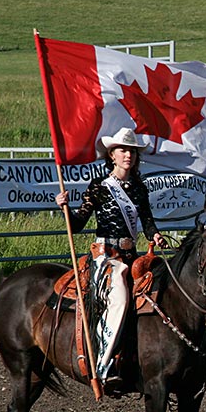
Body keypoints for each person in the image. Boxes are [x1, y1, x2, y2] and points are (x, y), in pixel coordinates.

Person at [55, 127, 168, 394]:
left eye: (132, 151)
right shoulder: (99, 187)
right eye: (123, 150)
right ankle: (104, 366)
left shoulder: (139, 188)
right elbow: (78, 223)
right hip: (106, 258)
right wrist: (64, 208)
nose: (128, 155)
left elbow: (148, 223)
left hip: (133, 256)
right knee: (118, 297)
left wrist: (157, 235)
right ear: (112, 155)